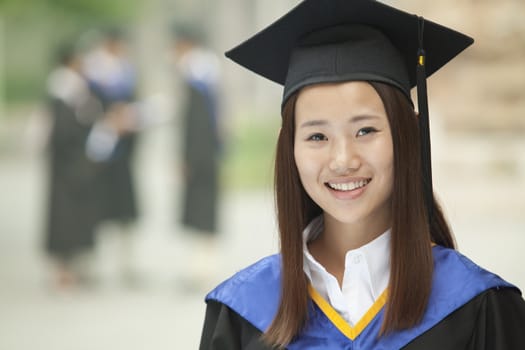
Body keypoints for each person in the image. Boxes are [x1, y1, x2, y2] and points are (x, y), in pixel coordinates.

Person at [199, 0, 525, 349]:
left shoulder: (477, 305)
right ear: (289, 148)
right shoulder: (242, 311)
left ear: (408, 134)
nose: (342, 160)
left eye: (365, 130)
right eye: (317, 136)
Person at [44, 43, 104, 288]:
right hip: (66, 166)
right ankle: (63, 271)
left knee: (76, 218)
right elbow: (62, 133)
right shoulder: (61, 90)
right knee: (64, 219)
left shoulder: (79, 89)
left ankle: (75, 269)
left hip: (76, 165)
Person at [171, 24, 223, 287]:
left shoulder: (195, 76)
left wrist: (187, 157)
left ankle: (201, 269)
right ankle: (202, 266)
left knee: (200, 209)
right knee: (205, 208)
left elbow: (194, 124)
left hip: (198, 155)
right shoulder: (210, 73)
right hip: (209, 153)